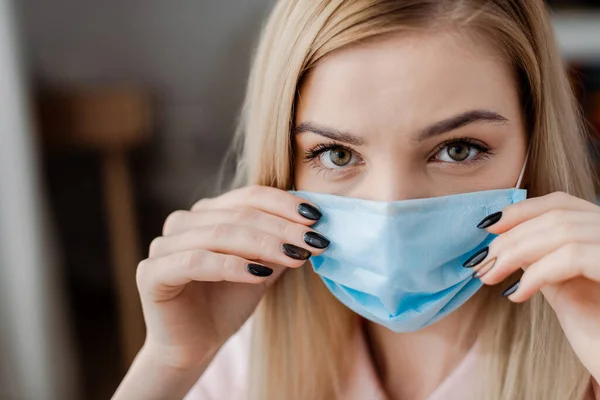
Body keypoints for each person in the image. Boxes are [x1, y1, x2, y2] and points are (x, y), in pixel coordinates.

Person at [113, 1, 600, 399]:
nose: (392, 207)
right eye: (338, 153)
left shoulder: (589, 350)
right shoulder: (242, 354)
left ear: (534, 147)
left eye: (458, 149)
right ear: (285, 163)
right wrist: (169, 364)